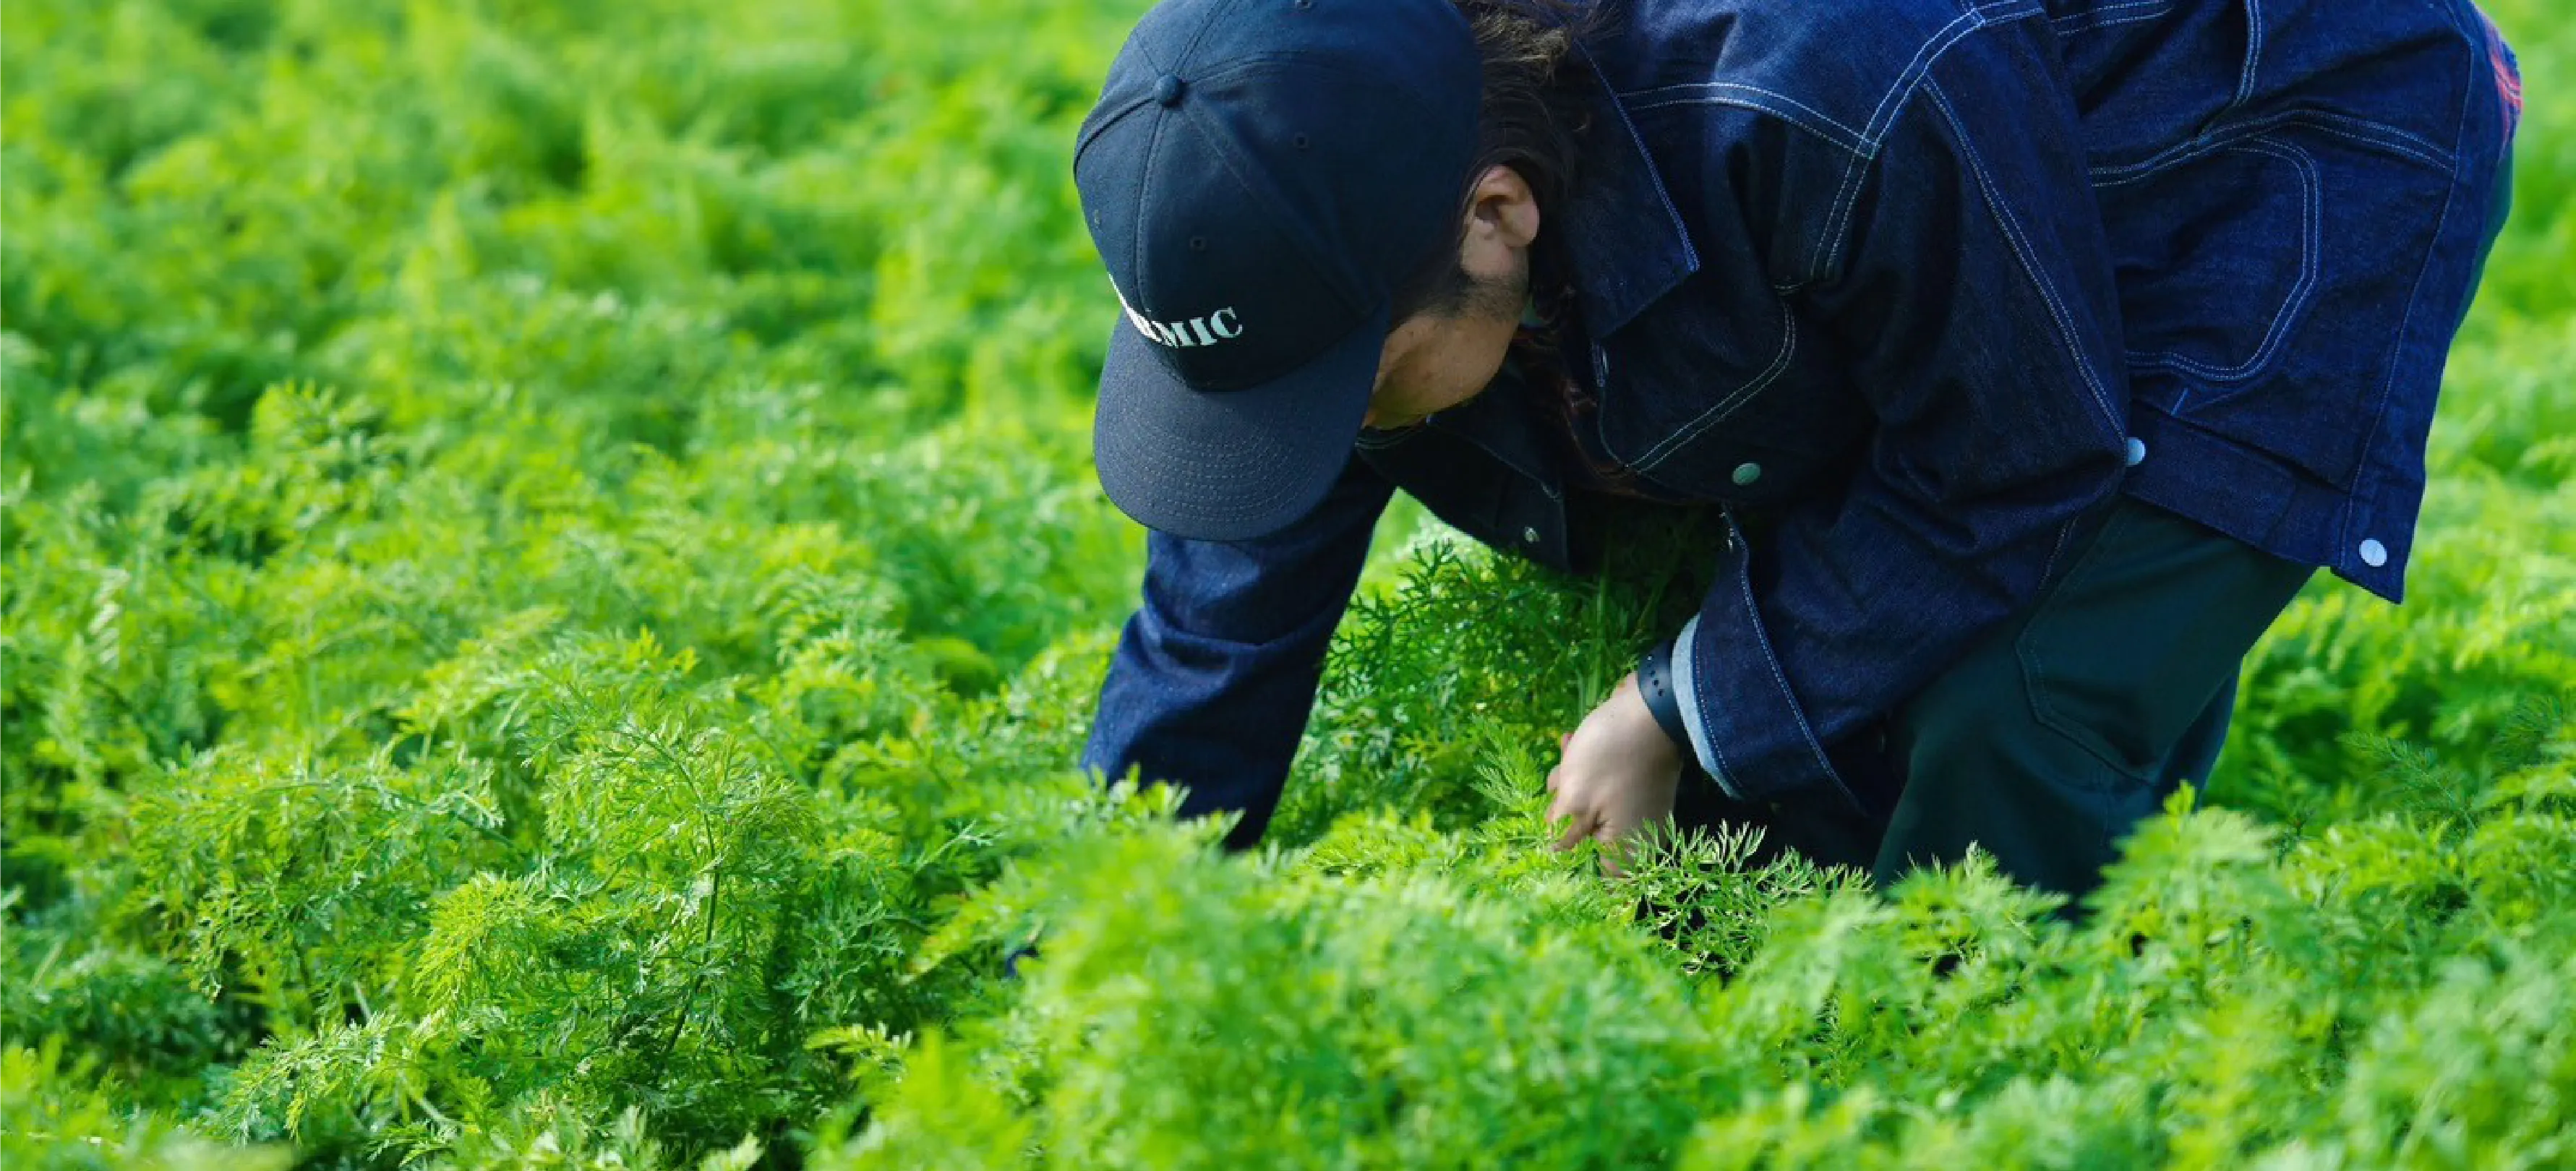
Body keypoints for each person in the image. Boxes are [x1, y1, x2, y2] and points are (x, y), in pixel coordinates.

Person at [1067, 0, 2521, 902]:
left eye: (1350, 384)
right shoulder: (1300, 184)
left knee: (2013, 710)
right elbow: (1212, 649)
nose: (1320, 438)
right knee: (1781, 814)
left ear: (1496, 213)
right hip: (1959, 145)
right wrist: (1083, 961)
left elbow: (2006, 466)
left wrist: (1672, 704)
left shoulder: (1804, 88)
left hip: (2253, 123)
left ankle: (1981, 1095)